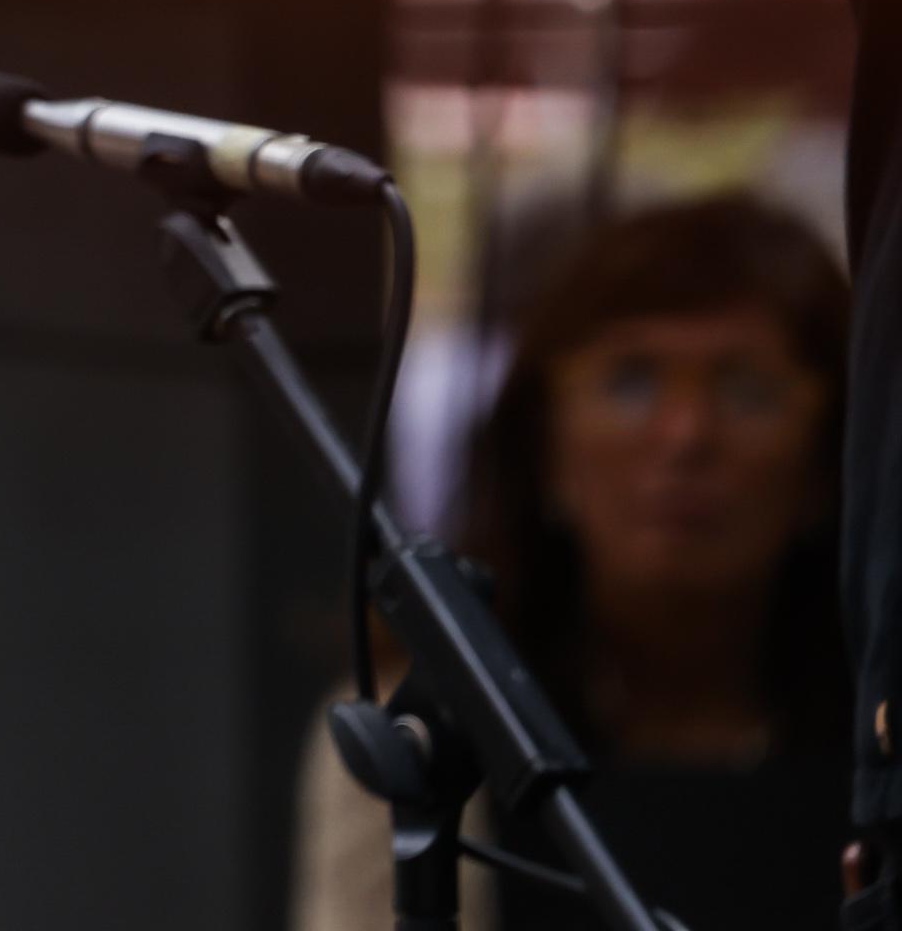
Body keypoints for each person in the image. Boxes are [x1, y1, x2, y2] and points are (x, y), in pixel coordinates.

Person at [290, 195, 848, 931]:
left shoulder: (879, 730)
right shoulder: (420, 737)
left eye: (746, 389)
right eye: (631, 382)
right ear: (544, 446)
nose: (685, 437)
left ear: (831, 461)